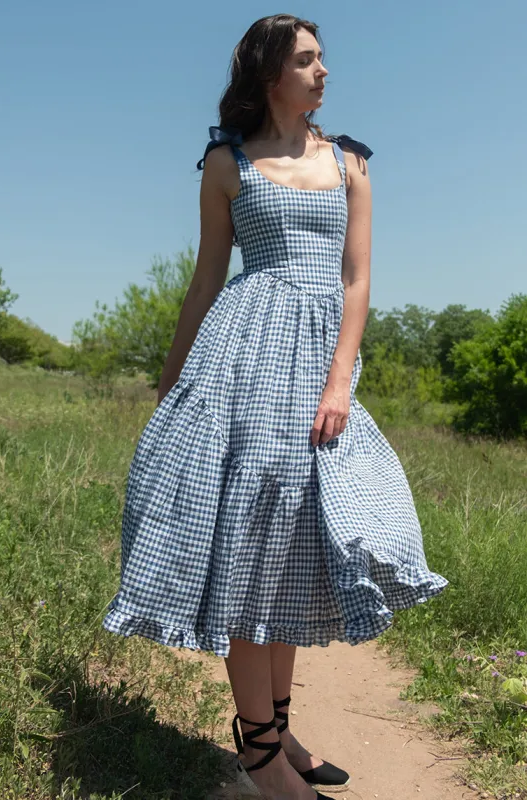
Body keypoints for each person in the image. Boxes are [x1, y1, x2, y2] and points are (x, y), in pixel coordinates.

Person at [102, 13, 448, 800]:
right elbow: (206, 278)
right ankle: (260, 753)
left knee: (292, 542)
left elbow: (356, 279)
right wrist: (172, 380)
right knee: (249, 538)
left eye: (322, 58)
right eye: (306, 60)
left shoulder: (350, 162)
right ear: (268, 75)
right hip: (241, 352)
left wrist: (340, 381)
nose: (323, 71)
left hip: (318, 360)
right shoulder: (225, 164)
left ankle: (274, 730)